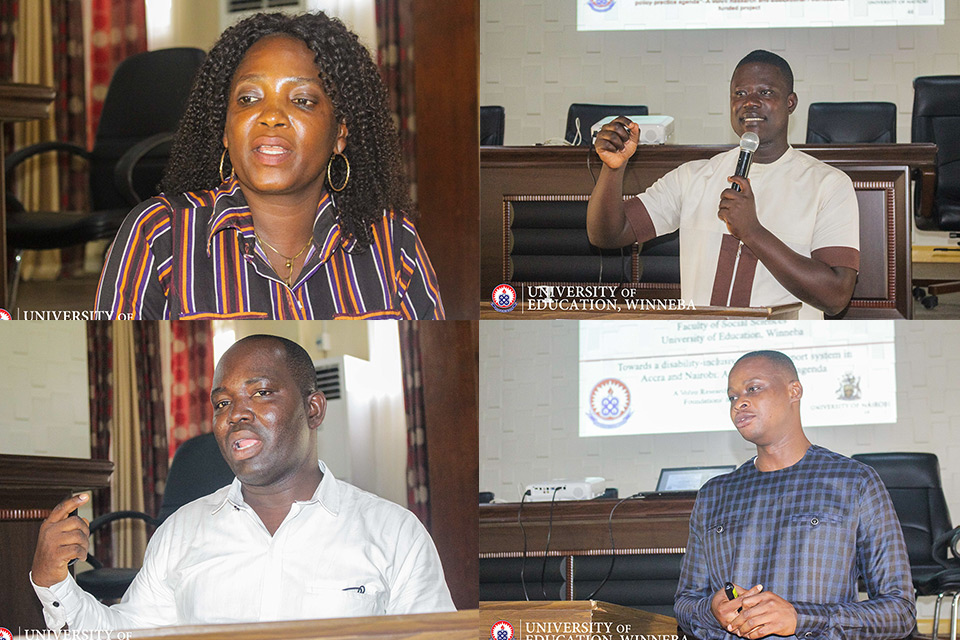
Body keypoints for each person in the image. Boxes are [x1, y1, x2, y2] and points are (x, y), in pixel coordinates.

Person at [30, 334, 455, 629]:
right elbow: (125, 633)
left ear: (313, 410)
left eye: (262, 393)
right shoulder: (181, 532)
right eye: (223, 402)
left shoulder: (394, 532)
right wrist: (53, 583)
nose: (235, 413)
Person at [95, 12, 443, 320]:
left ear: (340, 133)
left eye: (302, 100)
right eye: (248, 99)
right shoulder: (159, 235)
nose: (272, 117)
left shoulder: (393, 241)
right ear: (226, 129)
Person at [587, 50, 859, 319]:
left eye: (765, 92)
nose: (749, 103)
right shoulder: (693, 177)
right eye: (740, 94)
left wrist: (752, 231)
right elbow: (608, 235)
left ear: (790, 103)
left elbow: (835, 297)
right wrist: (613, 169)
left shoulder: (828, 185)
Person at [674, 350, 915, 640]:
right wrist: (710, 612)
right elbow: (685, 603)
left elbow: (900, 612)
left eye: (753, 388)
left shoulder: (854, 481)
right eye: (732, 396)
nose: (740, 403)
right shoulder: (714, 494)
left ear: (794, 391)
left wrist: (802, 619)